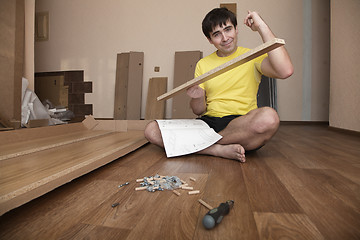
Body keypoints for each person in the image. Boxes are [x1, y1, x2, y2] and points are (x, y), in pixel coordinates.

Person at [144, 8, 293, 162]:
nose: (225, 38)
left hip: (241, 125)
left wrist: (261, 25)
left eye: (228, 30)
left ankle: (197, 145)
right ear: (210, 40)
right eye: (216, 34)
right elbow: (198, 110)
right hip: (208, 124)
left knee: (269, 118)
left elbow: (285, 71)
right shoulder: (203, 64)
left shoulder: (252, 56)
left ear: (236, 29)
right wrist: (198, 97)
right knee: (151, 130)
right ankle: (216, 149)